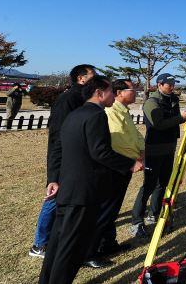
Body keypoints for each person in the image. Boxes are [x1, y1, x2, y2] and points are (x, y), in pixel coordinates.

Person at [38, 76, 142, 284]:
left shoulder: (75, 114)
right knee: (73, 246)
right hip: (84, 192)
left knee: (58, 242)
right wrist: (129, 164)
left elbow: (58, 149)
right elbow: (101, 152)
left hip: (68, 188)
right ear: (99, 93)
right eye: (111, 90)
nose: (114, 94)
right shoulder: (96, 116)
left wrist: (54, 179)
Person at [29, 64, 95, 259]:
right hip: (65, 155)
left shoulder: (85, 97)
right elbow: (58, 133)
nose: (96, 77)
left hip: (80, 154)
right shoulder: (68, 98)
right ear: (81, 78)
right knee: (55, 194)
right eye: (93, 75)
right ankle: (39, 244)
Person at [82, 79, 145, 268]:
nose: (136, 93)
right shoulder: (111, 112)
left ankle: (107, 243)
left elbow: (135, 135)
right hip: (117, 168)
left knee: (112, 210)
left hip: (124, 166)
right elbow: (117, 143)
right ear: (119, 92)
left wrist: (141, 149)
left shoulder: (122, 111)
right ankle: (89, 253)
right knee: (105, 211)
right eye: (132, 90)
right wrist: (133, 161)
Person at [129, 73, 186, 238]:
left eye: (173, 84)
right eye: (168, 84)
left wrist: (184, 117)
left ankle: (153, 214)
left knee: (163, 183)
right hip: (154, 150)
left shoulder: (173, 100)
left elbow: (175, 120)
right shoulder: (152, 102)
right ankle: (136, 221)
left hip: (169, 149)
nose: (172, 87)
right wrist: (180, 118)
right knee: (148, 185)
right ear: (159, 84)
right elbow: (159, 124)